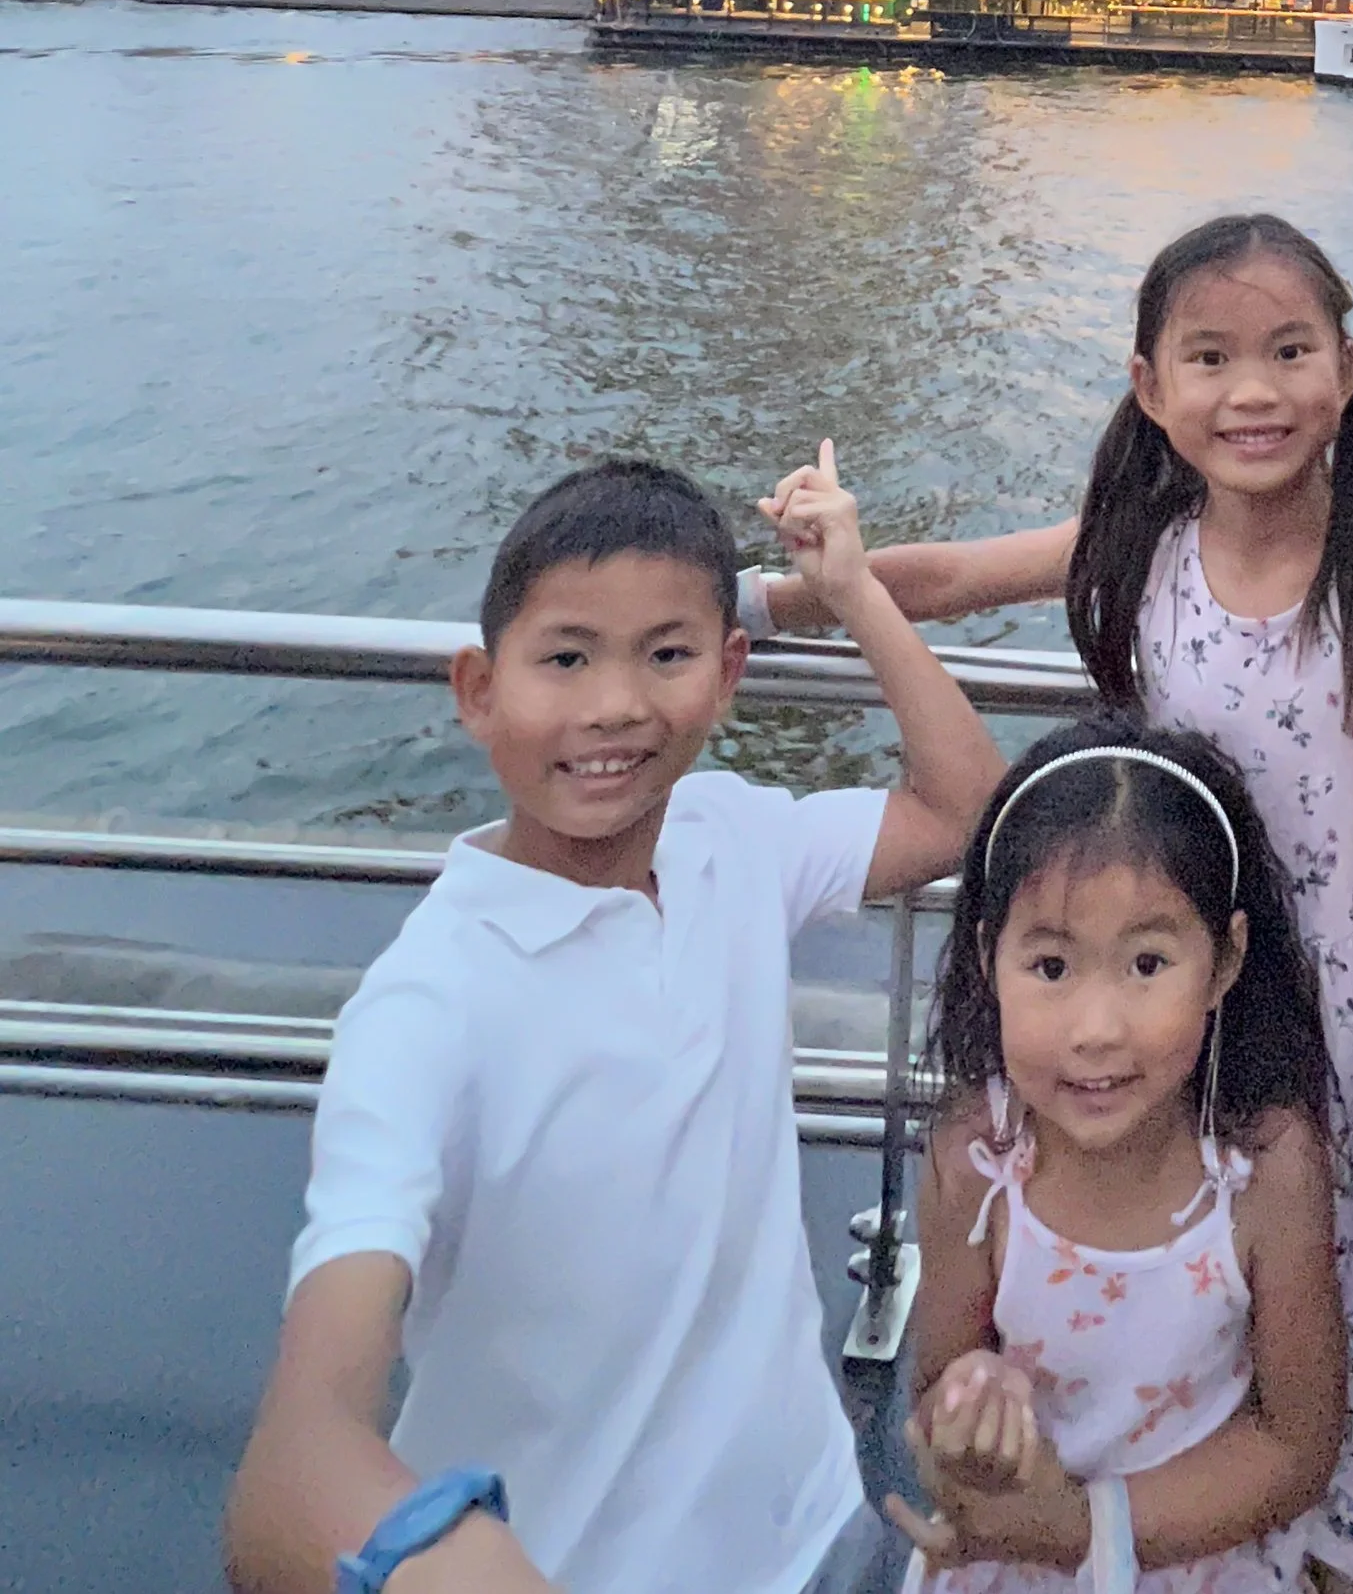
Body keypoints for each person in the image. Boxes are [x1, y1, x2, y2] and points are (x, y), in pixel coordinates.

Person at [749, 216, 1353, 1592]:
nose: (1250, 391)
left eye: (1288, 352)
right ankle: (1136, 1532)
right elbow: (953, 576)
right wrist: (777, 598)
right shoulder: (1152, 550)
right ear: (1150, 387)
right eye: (1209, 358)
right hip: (1180, 999)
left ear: (1347, 367)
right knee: (1172, 1323)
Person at [224, 454, 1004, 1594]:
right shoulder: (426, 1010)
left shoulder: (727, 839)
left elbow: (962, 806)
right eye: (566, 657)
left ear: (729, 673)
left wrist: (850, 590)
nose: (617, 705)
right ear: (478, 690)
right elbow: (303, 1440)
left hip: (817, 1523)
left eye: (669, 654)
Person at [891, 721, 1346, 1589]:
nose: (1097, 1030)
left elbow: (1296, 1445)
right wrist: (965, 1418)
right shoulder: (978, 1161)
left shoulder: (1265, 1169)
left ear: (1225, 962)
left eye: (1147, 962)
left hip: (1186, 1562)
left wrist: (1084, 1526)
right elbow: (933, 1388)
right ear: (991, 959)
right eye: (1052, 966)